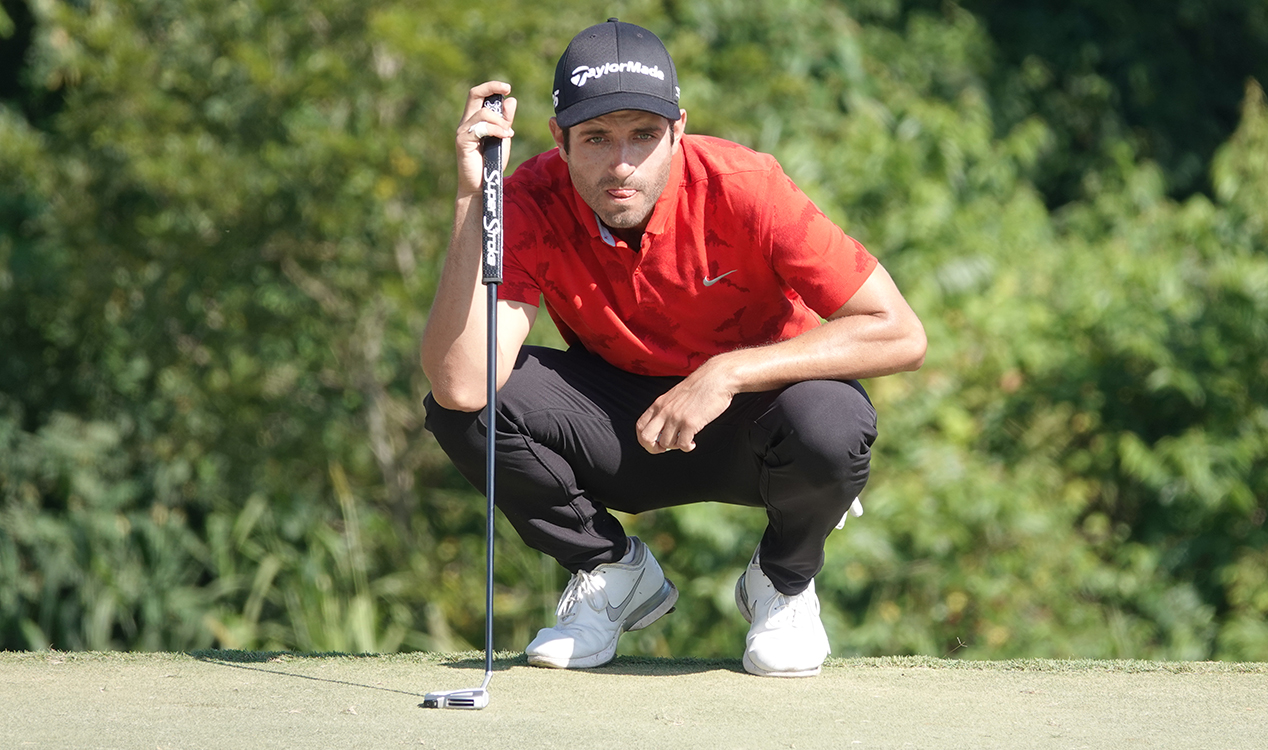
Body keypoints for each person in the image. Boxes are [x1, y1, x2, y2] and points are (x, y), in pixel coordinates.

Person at [421, 18, 925, 678]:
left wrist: (729, 372)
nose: (622, 163)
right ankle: (610, 570)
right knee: (470, 408)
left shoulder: (745, 184)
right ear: (560, 141)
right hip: (625, 430)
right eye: (597, 138)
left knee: (834, 422)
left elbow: (899, 331)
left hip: (763, 428)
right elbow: (463, 385)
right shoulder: (528, 199)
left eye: (644, 136)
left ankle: (784, 582)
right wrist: (472, 197)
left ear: (678, 132)